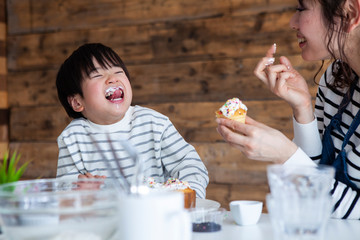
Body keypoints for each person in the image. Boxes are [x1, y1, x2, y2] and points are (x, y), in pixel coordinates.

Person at [216, 0, 360, 219]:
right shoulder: (335, 78)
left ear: (350, 14)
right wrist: (302, 109)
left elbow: (355, 210)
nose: (292, 22)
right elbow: (314, 185)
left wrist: (285, 155)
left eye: (301, 9)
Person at [56, 43, 209, 198]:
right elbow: (62, 188)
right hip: (104, 218)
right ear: (77, 102)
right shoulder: (72, 138)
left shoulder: (155, 123)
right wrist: (79, 189)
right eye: (98, 75)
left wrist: (189, 198)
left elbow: (190, 165)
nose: (113, 78)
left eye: (118, 71)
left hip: (155, 215)